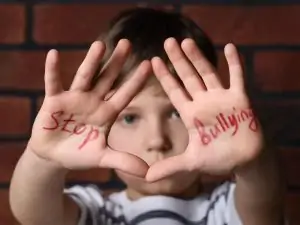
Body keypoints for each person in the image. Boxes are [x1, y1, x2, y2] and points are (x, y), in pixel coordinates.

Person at [9, 7, 284, 225]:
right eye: (130, 118)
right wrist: (42, 159)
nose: (157, 140)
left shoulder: (225, 210)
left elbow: (265, 203)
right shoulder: (96, 212)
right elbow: (33, 213)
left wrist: (253, 165)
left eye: (175, 113)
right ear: (104, 130)